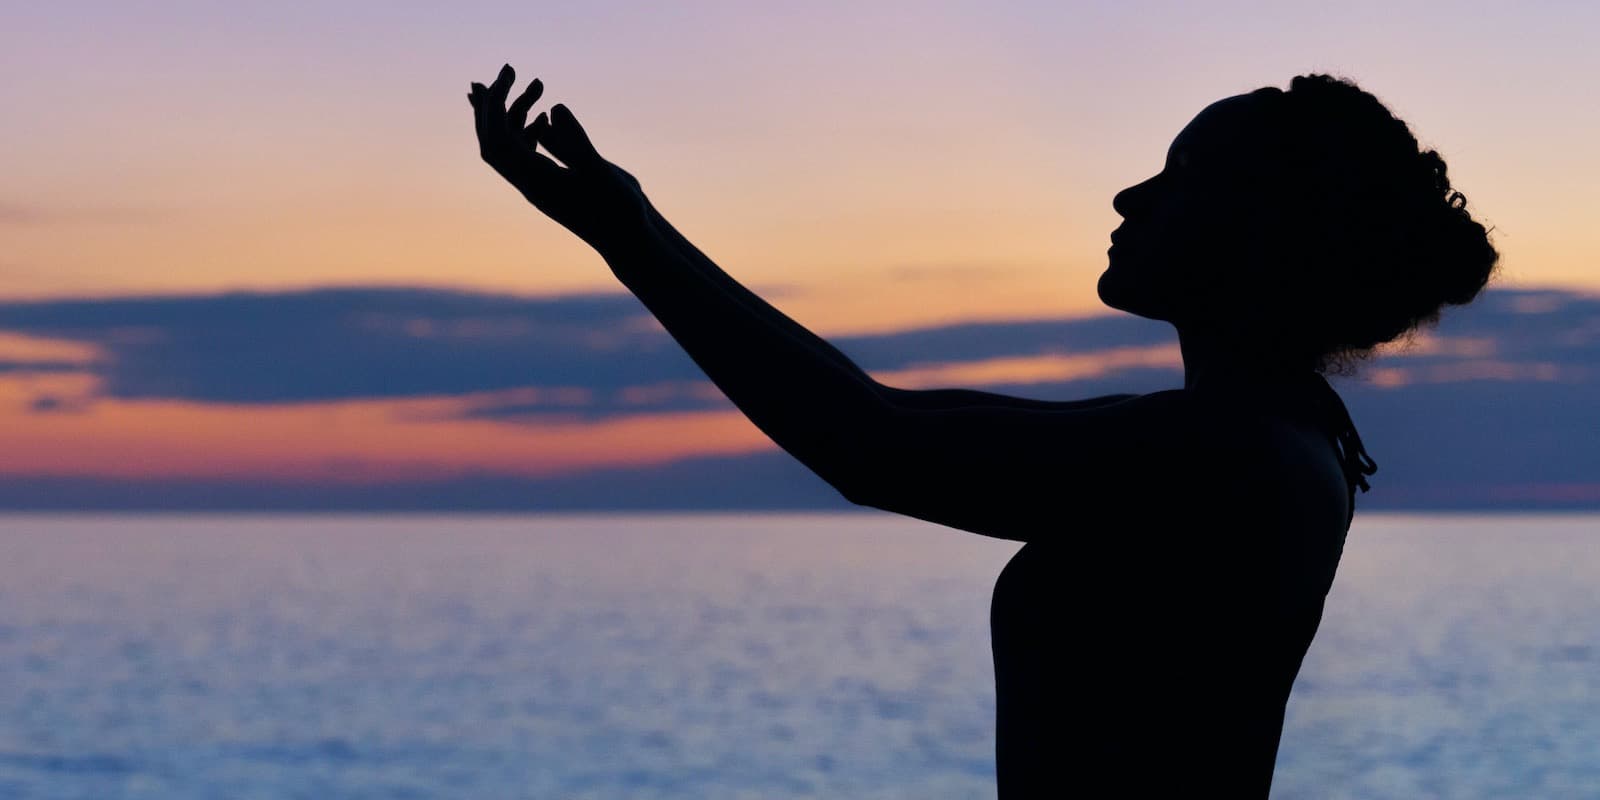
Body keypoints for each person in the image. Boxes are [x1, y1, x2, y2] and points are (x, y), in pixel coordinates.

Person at [467, 65, 1498, 797]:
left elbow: (866, 445)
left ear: (1253, 231)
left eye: (1176, 178)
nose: (1129, 193)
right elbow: (886, 415)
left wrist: (626, 235)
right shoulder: (1253, 437)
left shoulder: (1226, 458)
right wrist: (631, 226)